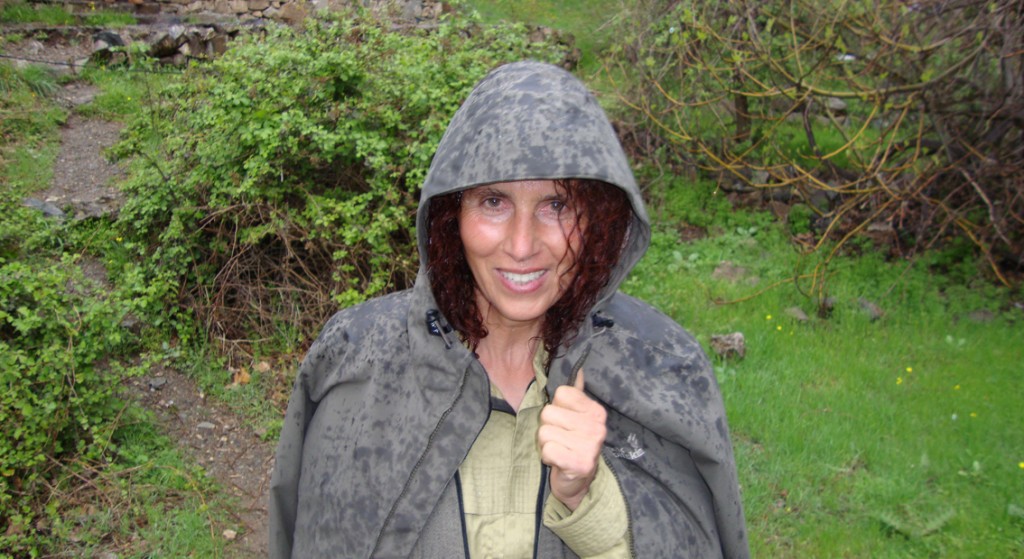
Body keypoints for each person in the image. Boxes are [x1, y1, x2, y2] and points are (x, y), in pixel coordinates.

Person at [269, 60, 749, 558]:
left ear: (600, 220)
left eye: (557, 206)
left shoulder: (663, 369)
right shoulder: (356, 358)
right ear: (451, 215)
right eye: (494, 202)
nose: (522, 246)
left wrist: (588, 502)